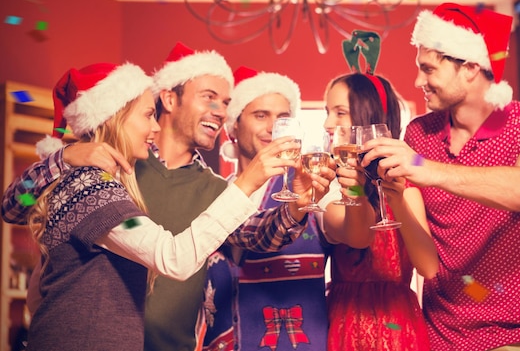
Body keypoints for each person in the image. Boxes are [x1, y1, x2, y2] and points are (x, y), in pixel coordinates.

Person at [2, 43, 326, 351]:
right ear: (169, 99)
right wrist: (65, 156)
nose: (219, 112)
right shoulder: (105, 174)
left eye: (226, 104)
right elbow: (16, 205)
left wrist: (298, 205)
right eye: (209, 97)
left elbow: (258, 235)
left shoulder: (211, 187)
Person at [361, 3, 520, 351]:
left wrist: (428, 170)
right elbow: (426, 265)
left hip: (515, 333)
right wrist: (396, 193)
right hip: (440, 335)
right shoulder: (419, 135)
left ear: (471, 68)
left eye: (428, 69)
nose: (418, 81)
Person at [198, 67, 342, 351]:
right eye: (261, 115)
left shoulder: (314, 184)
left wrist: (357, 186)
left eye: (283, 118)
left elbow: (352, 230)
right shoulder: (213, 192)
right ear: (233, 127)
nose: (273, 128)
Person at [322, 51, 439, 349]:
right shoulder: (330, 189)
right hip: (346, 324)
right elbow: (359, 236)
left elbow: (428, 268)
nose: (327, 123)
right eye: (327, 112)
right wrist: (357, 190)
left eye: (339, 112)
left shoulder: (407, 188)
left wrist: (397, 198)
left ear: (367, 120)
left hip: (399, 329)